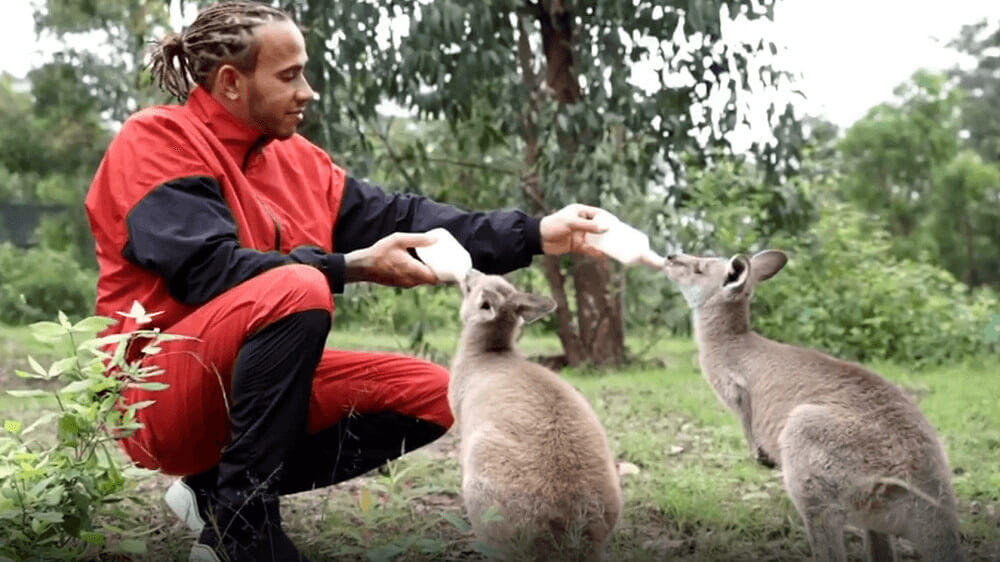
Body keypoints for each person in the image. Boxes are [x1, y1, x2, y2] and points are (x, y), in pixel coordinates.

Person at [83, 2, 612, 561]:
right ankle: (243, 532)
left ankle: (213, 493)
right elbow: (206, 270)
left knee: (436, 394)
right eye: (289, 76)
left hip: (243, 385)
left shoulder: (298, 161)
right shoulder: (157, 140)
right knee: (300, 285)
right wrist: (350, 266)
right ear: (232, 83)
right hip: (156, 391)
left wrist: (536, 232)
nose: (307, 91)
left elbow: (405, 218)